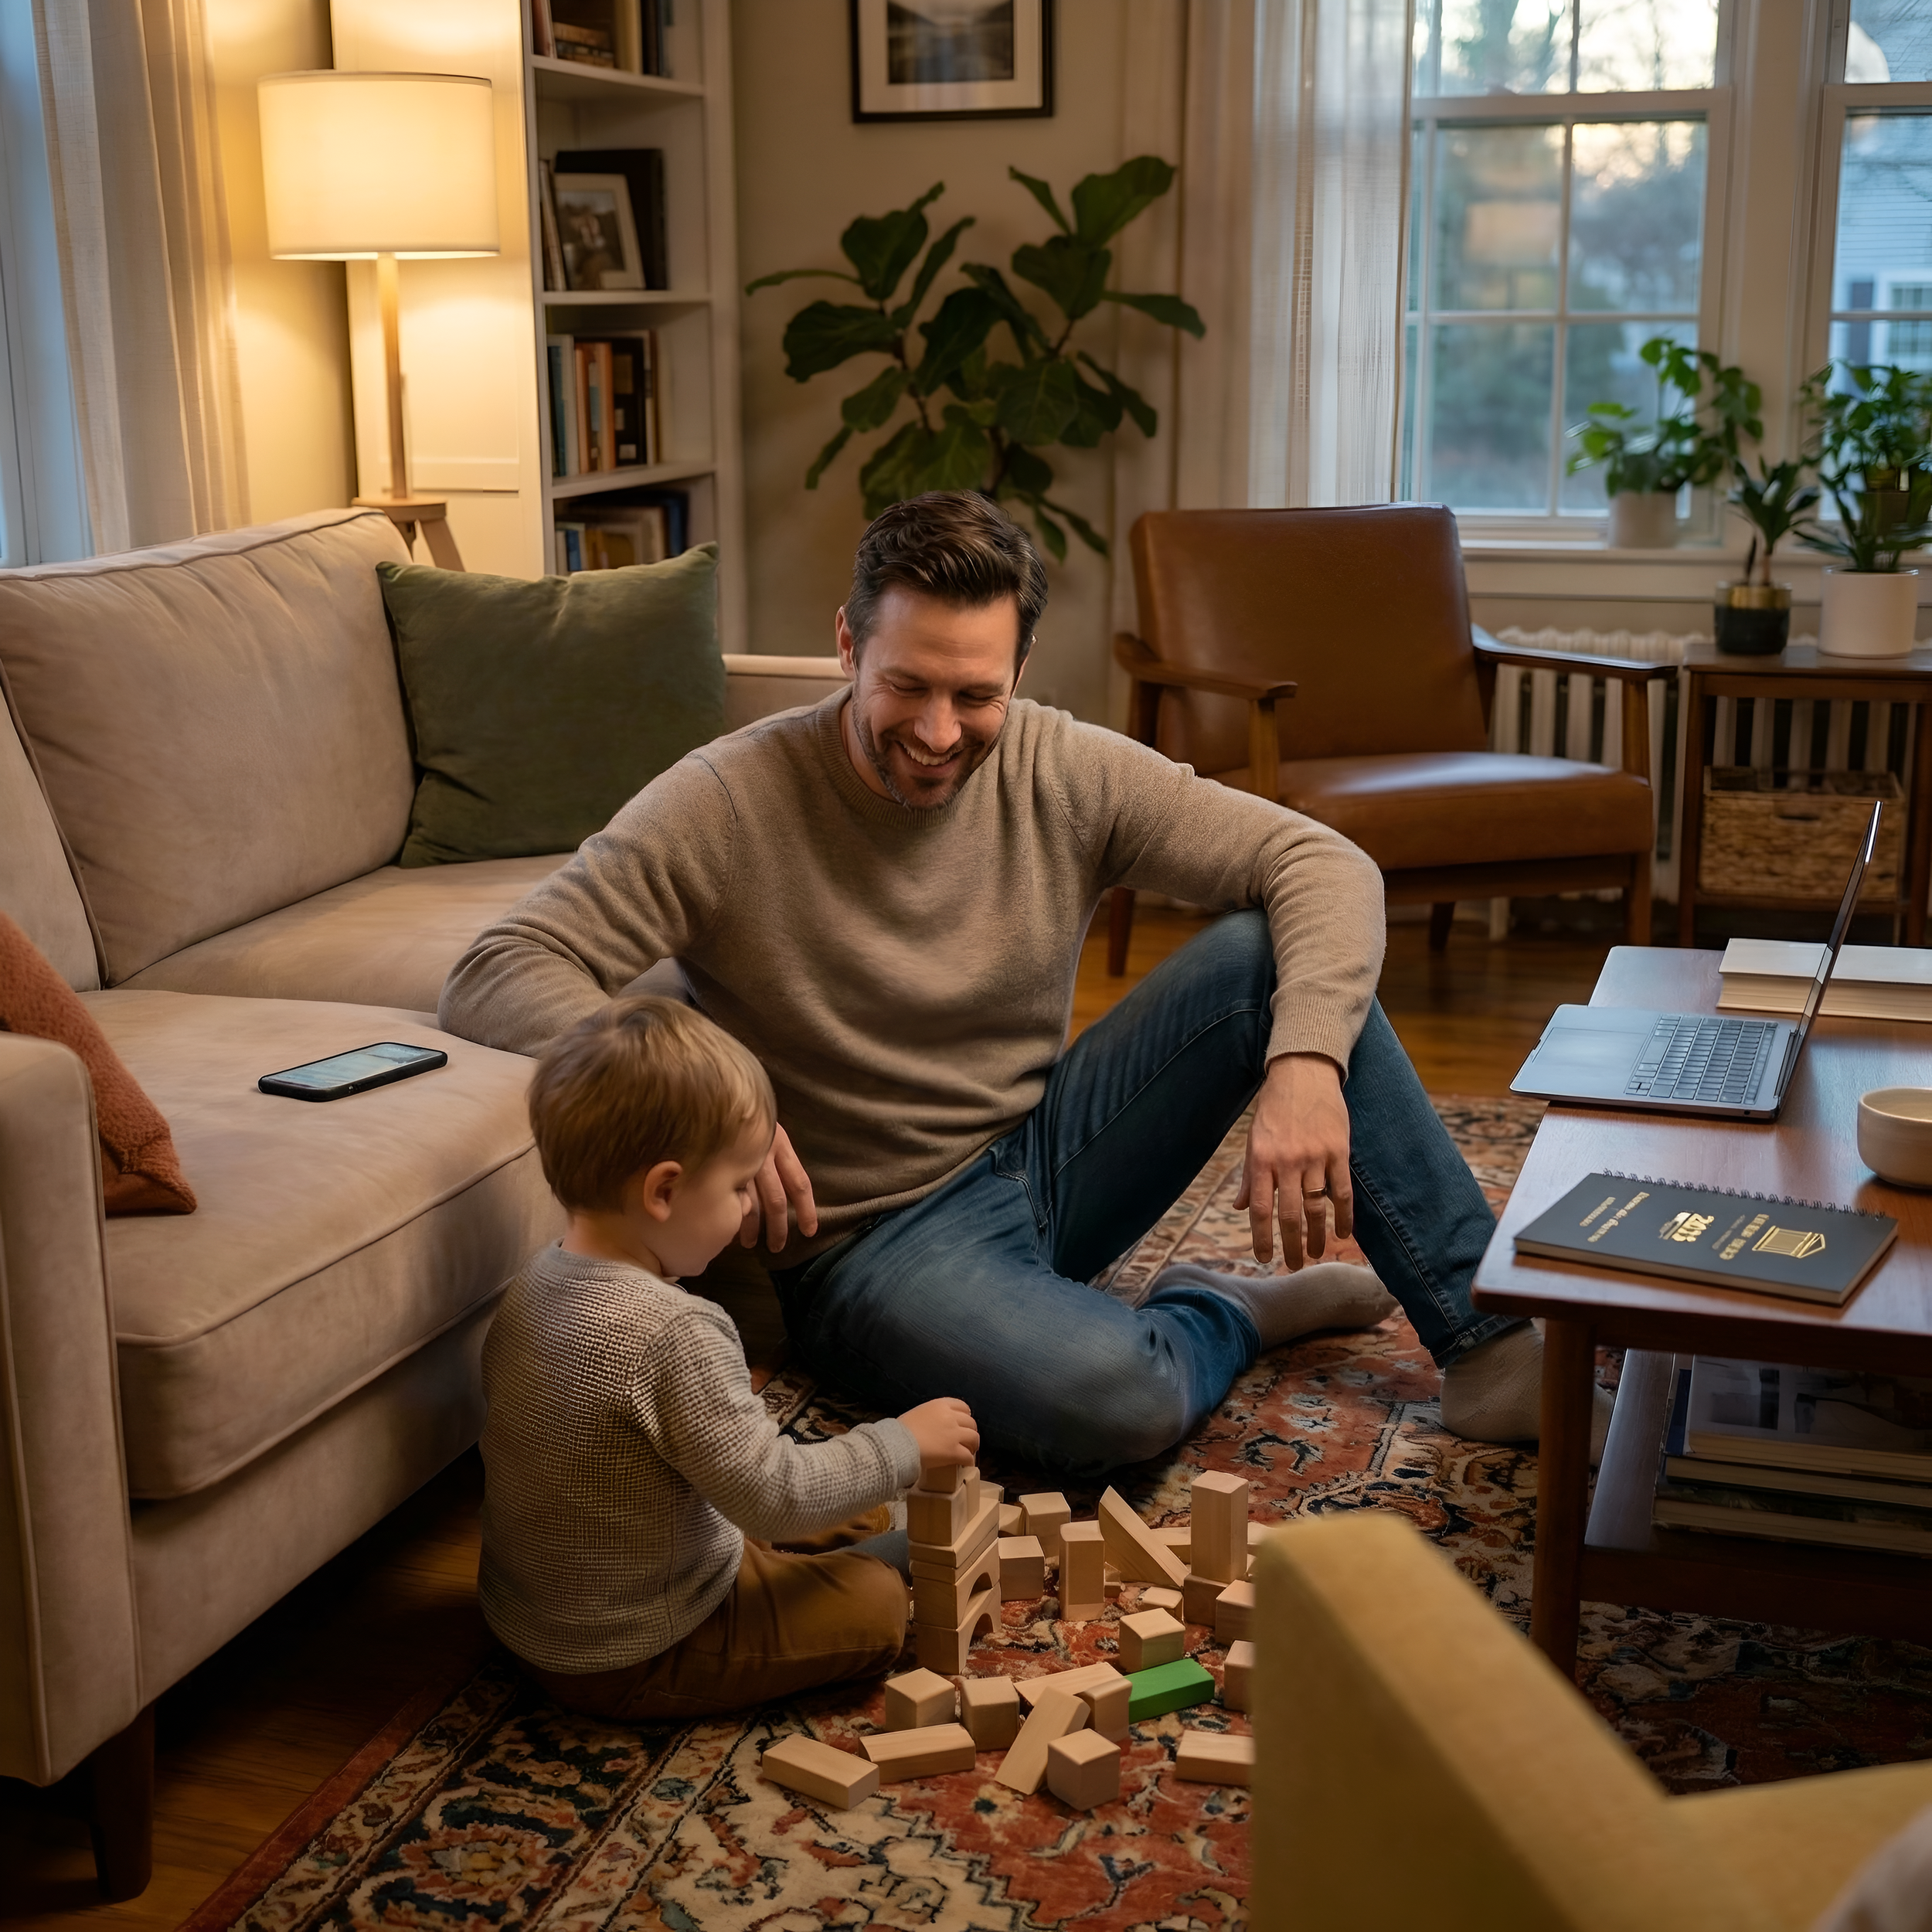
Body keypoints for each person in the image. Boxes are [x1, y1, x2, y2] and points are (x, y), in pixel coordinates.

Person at [445, 491, 1608, 1476]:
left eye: (975, 696)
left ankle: (1487, 1341)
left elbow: (1322, 862)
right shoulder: (726, 799)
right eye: (906, 686)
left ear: (1019, 670)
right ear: (847, 646)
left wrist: (1304, 1064)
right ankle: (1227, 1307)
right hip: (868, 1244)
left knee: (1268, 955)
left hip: (1049, 1153)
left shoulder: (1060, 764)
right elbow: (500, 968)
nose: (937, 732)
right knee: (1122, 1404)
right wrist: (706, 1090)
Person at [478, 993, 978, 1720]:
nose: (750, 1204)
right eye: (741, 1186)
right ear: (664, 1190)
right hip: (634, 1650)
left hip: (541, 1614)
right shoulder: (674, 1331)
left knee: (853, 1506)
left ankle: (833, 1553)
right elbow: (772, 1498)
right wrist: (904, 1441)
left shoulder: (535, 1281)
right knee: (875, 1604)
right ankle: (856, 1570)